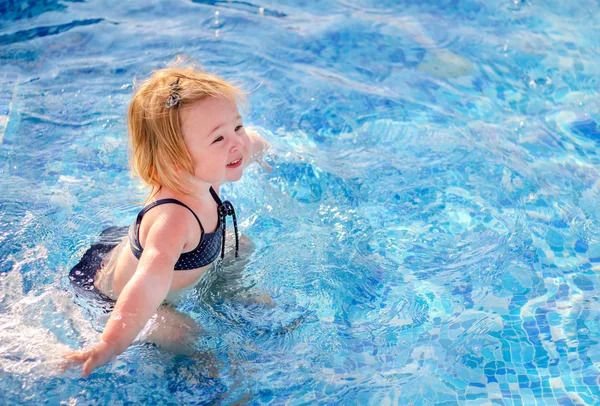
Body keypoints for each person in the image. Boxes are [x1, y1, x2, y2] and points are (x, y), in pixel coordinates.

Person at [64, 59, 269, 377]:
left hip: (141, 258)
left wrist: (263, 151)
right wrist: (111, 343)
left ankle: (224, 292)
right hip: (120, 300)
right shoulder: (173, 221)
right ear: (177, 162)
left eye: (237, 126)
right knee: (194, 341)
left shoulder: (207, 170)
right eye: (218, 139)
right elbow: (147, 284)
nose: (236, 142)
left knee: (241, 243)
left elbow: (253, 144)